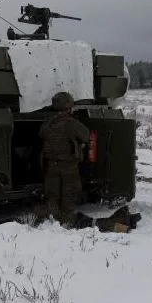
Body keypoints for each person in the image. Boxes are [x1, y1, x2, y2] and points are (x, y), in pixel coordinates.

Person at [38, 91, 89, 227]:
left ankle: (52, 222)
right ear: (69, 107)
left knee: (52, 195)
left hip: (51, 166)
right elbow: (85, 135)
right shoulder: (71, 123)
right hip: (68, 166)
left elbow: (41, 134)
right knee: (70, 195)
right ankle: (67, 224)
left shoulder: (48, 123)